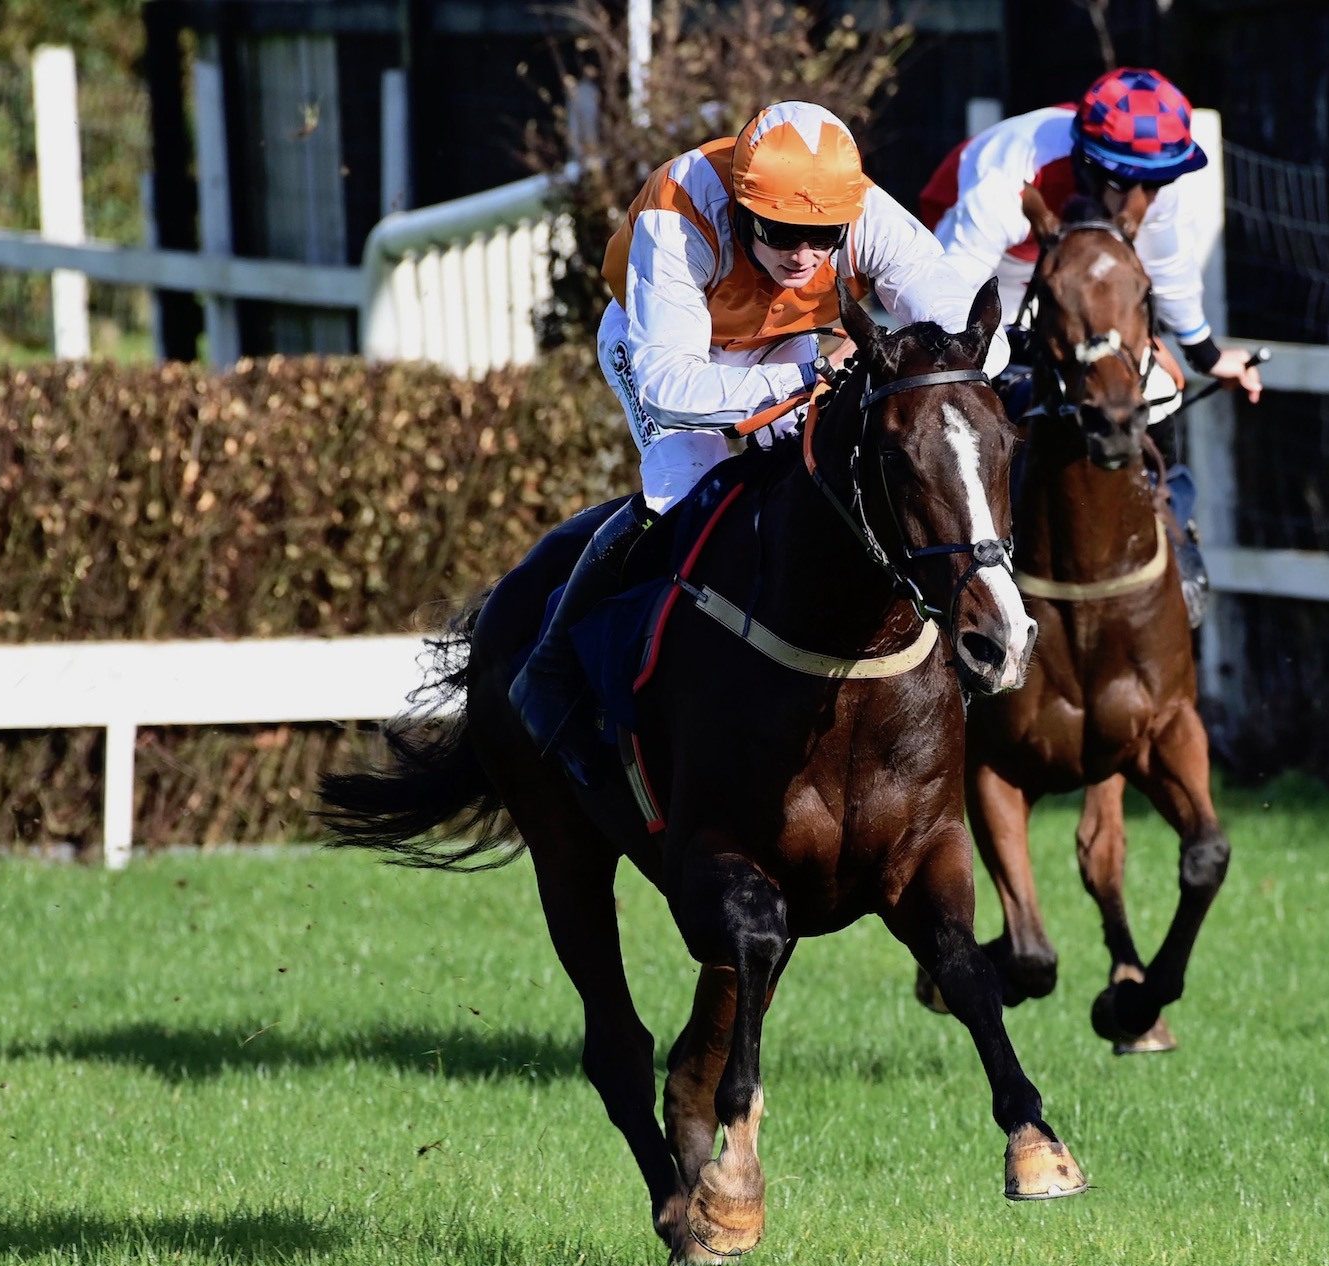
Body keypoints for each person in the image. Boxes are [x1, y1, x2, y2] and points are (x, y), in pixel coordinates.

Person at [513, 100, 1006, 762]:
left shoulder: (865, 213)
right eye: (778, 232)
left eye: (823, 236)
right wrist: (804, 383)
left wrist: (887, 361)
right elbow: (670, 387)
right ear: (743, 210)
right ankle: (552, 673)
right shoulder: (680, 209)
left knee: (819, 485)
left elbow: (977, 344)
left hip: (782, 341)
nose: (803, 255)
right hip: (663, 345)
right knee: (683, 487)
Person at [919, 67, 1261, 626]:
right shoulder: (1009, 176)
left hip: (1082, 256)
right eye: (1126, 184)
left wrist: (1206, 355)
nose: (1141, 198)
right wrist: (1014, 351)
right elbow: (950, 300)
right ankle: (976, 553)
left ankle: (1170, 521)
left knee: (1159, 380)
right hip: (998, 253)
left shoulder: (1150, 186)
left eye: (1154, 185)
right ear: (1086, 161)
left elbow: (1167, 268)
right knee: (987, 391)